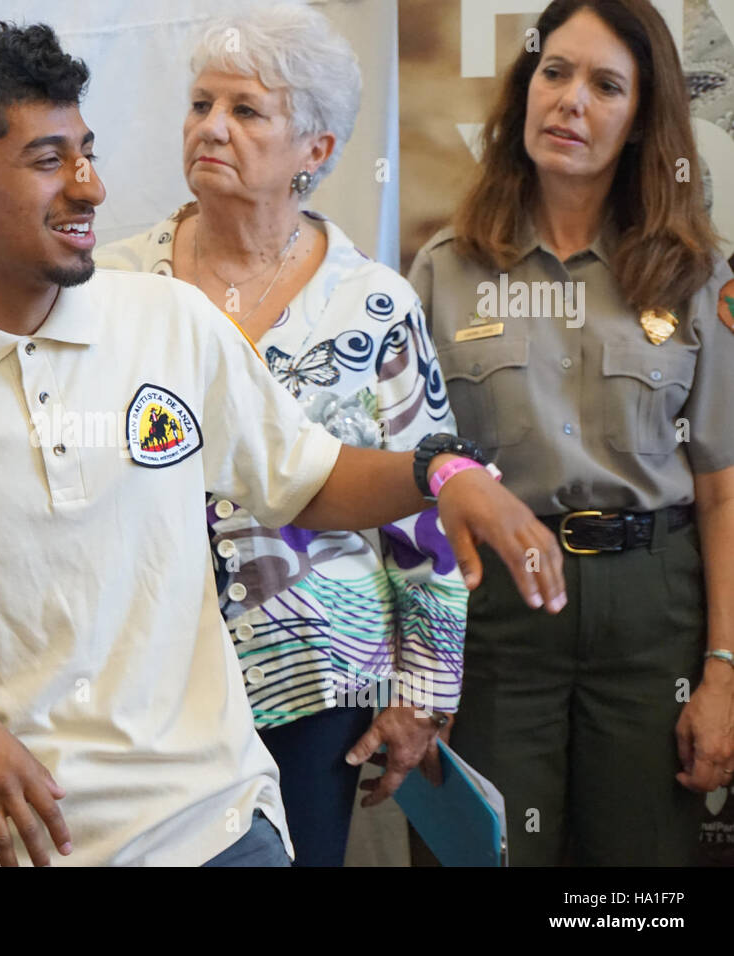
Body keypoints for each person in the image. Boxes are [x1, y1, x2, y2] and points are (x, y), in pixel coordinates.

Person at [0, 20, 565, 868]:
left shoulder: (172, 320)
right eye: (48, 161)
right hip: (21, 848)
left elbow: (308, 478)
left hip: (220, 828)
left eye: (88, 152)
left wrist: (444, 471)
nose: (91, 186)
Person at [95, 5, 466, 866]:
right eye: (199, 105)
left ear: (319, 150)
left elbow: (426, 507)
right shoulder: (112, 285)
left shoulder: (374, 303)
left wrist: (420, 693)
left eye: (246, 111)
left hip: (317, 680)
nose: (210, 128)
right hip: (143, 677)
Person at [409, 0, 734, 865]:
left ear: (640, 121)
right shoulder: (446, 270)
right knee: (485, 852)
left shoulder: (696, 272)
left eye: (605, 85)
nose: (570, 101)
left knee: (635, 888)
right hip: (494, 616)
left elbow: (722, 488)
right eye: (554, 73)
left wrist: (723, 669)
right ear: (525, 89)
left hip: (651, 612)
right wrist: (416, 667)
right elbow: (410, 480)